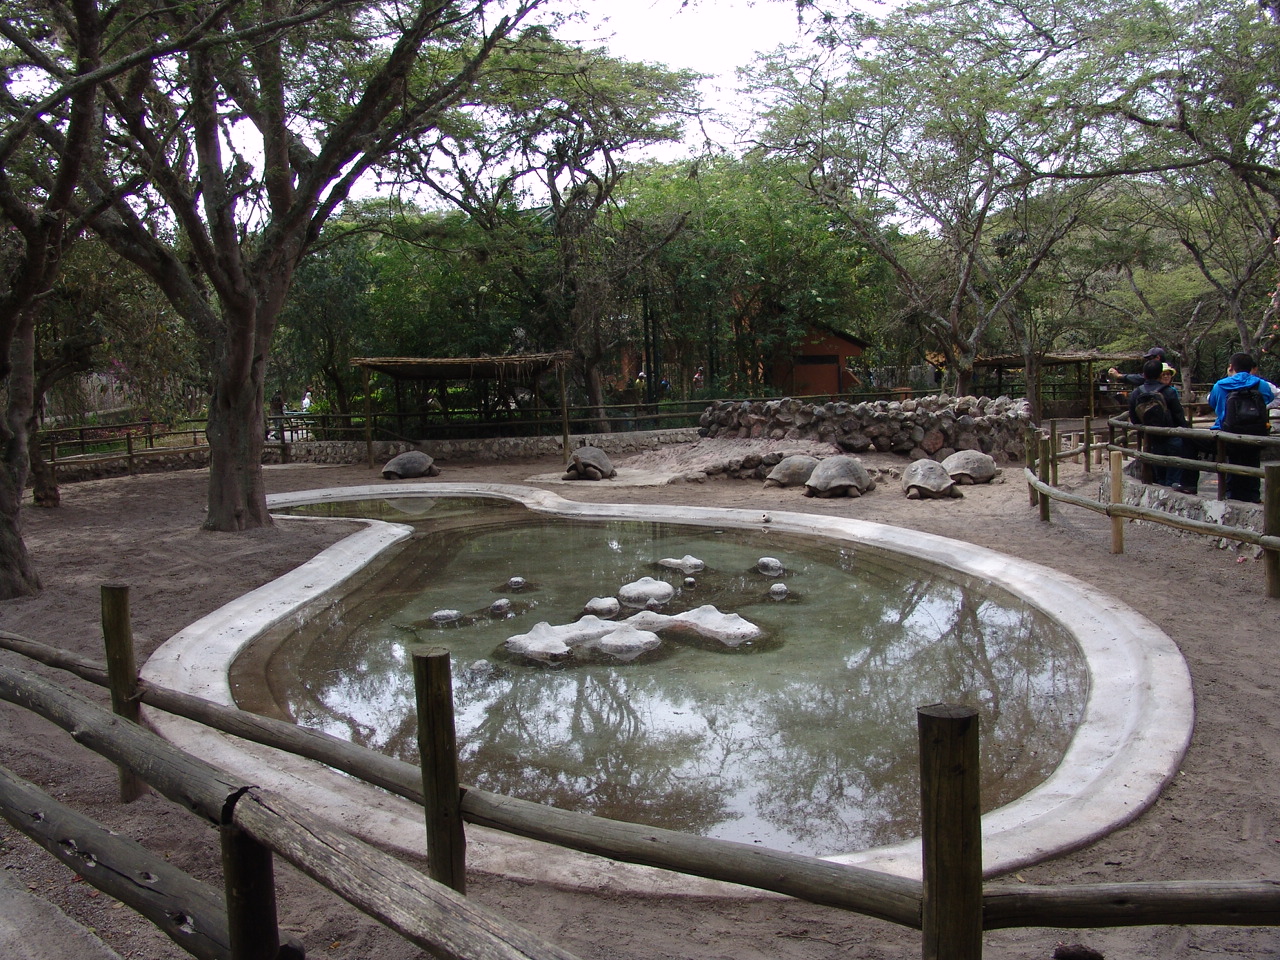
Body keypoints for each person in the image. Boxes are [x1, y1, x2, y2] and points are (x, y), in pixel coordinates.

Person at [1206, 352, 1274, 503]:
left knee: (1232, 461)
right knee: (1252, 462)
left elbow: (1213, 403)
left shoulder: (1221, 384)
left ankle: (1231, 494)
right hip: (1255, 432)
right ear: (1251, 368)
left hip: (1228, 432)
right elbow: (1269, 398)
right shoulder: (1261, 384)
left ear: (1231, 367)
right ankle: (1253, 495)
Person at [1128, 357, 1189, 488]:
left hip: (1151, 439)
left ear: (1144, 374)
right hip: (1172, 437)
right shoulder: (1169, 392)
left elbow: (1134, 419)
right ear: (1160, 374)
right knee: (1174, 473)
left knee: (1159, 475)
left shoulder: (1136, 393)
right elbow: (1179, 416)